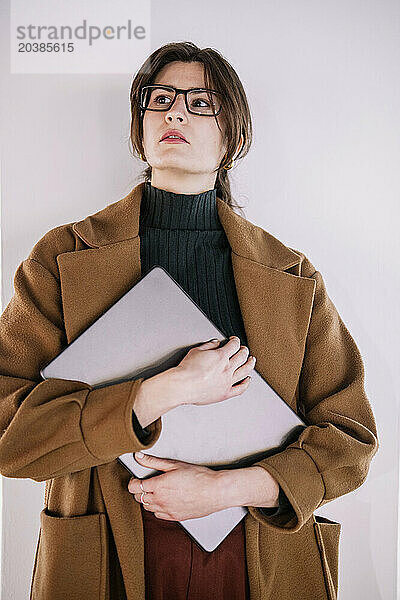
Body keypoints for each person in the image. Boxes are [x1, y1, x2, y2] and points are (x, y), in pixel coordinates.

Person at [0, 41, 378, 600]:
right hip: (108, 542)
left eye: (203, 103)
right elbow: (9, 436)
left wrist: (227, 489)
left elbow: (351, 439)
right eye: (162, 98)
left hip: (254, 544)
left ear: (235, 136)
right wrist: (162, 391)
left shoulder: (291, 275)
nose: (176, 112)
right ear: (141, 124)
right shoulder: (61, 258)